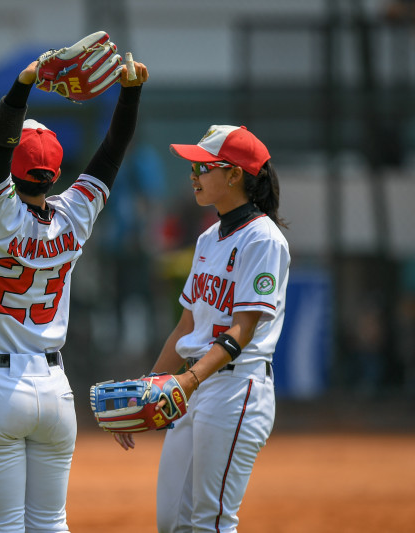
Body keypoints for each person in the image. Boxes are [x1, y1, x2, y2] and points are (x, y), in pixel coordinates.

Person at [0, 55, 149, 532]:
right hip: (54, 388)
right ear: (55, 174)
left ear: (13, 175)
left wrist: (23, 84)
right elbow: (113, 150)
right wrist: (129, 91)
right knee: (49, 524)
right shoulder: (75, 215)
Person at [113, 125, 290, 533]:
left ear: (234, 175)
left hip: (235, 388)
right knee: (171, 522)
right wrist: (149, 387)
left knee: (209, 521)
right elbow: (187, 327)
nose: (193, 175)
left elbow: (243, 330)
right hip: (194, 386)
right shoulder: (209, 237)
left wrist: (188, 380)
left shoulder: (264, 240)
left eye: (203, 167)